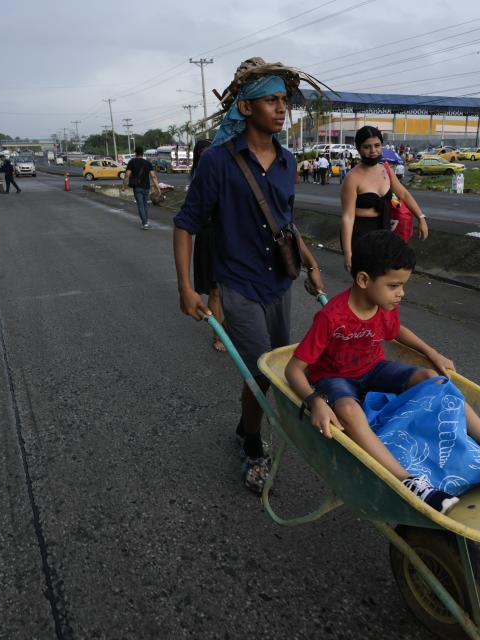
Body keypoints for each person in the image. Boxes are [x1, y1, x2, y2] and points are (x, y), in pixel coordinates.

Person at [284, 231, 480, 513]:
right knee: (350, 412)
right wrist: (314, 401)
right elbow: (294, 369)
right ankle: (406, 480)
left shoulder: (383, 305)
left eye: (403, 285)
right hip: (335, 377)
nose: (401, 293)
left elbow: (396, 331)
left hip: (374, 369)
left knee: (433, 379)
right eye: (394, 285)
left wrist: (431, 352)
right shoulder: (331, 318)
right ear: (363, 280)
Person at [173, 57, 327, 493]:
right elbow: (185, 224)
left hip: (279, 282)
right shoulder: (218, 163)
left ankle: (244, 427)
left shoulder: (289, 162)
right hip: (238, 284)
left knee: (279, 370)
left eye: (285, 101)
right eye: (272, 101)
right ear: (245, 108)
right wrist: (186, 287)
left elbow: (286, 223)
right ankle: (253, 445)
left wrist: (312, 267)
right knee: (261, 371)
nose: (282, 109)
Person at [340, 126, 428, 273]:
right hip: (360, 234)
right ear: (359, 149)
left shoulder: (385, 170)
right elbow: (348, 217)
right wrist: (348, 253)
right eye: (367, 147)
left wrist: (421, 218)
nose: (373, 151)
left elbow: (403, 194)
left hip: (384, 230)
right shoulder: (352, 178)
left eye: (377, 145)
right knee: (367, 282)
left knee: (383, 278)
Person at [188, 138, 226, 352]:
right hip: (209, 237)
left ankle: (227, 328)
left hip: (229, 236)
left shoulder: (226, 174)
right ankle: (218, 336)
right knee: (215, 292)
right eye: (205, 155)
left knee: (236, 290)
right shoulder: (197, 180)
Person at [122, 148, 161, 230]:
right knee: (145, 204)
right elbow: (153, 176)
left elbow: (127, 175)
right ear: (143, 153)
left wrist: (124, 186)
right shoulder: (147, 163)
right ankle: (146, 222)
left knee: (140, 205)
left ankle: (145, 223)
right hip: (146, 187)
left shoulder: (132, 162)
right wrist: (158, 188)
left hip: (137, 187)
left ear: (135, 153)